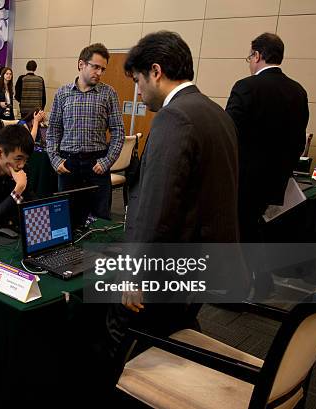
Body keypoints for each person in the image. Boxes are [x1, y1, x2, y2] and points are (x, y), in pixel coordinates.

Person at [83, 31, 245, 403]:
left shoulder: (175, 119)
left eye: (138, 81)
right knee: (173, 330)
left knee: (114, 338)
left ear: (155, 71)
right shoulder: (216, 114)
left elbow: (157, 205)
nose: (138, 92)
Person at [225, 33, 309, 298]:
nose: (249, 62)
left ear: (258, 56)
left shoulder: (246, 87)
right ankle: (262, 281)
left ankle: (238, 289)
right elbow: (298, 142)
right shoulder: (298, 91)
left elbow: (228, 135)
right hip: (276, 181)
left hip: (244, 178)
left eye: (250, 57)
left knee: (238, 233)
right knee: (252, 229)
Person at [45, 43, 124, 220]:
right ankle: (67, 249)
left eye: (102, 69)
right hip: (67, 164)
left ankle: (99, 249)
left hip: (97, 164)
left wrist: (107, 161)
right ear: (81, 64)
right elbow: (53, 131)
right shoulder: (63, 93)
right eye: (95, 67)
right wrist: (55, 159)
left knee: (100, 218)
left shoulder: (108, 93)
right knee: (65, 218)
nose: (99, 72)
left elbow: (118, 132)